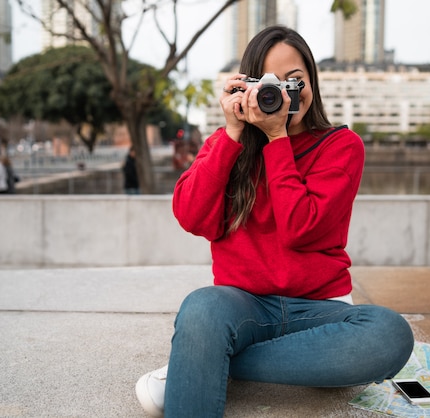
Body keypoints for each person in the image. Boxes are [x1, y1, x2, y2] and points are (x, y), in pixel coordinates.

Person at [135, 26, 414, 417]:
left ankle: (205, 359)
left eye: (294, 81)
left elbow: (302, 228)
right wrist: (233, 133)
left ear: (312, 82)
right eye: (269, 84)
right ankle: (205, 351)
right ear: (247, 88)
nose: (282, 94)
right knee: (201, 308)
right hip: (242, 303)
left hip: (320, 307)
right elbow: (190, 216)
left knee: (389, 335)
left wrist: (276, 139)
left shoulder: (341, 146)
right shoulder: (225, 143)